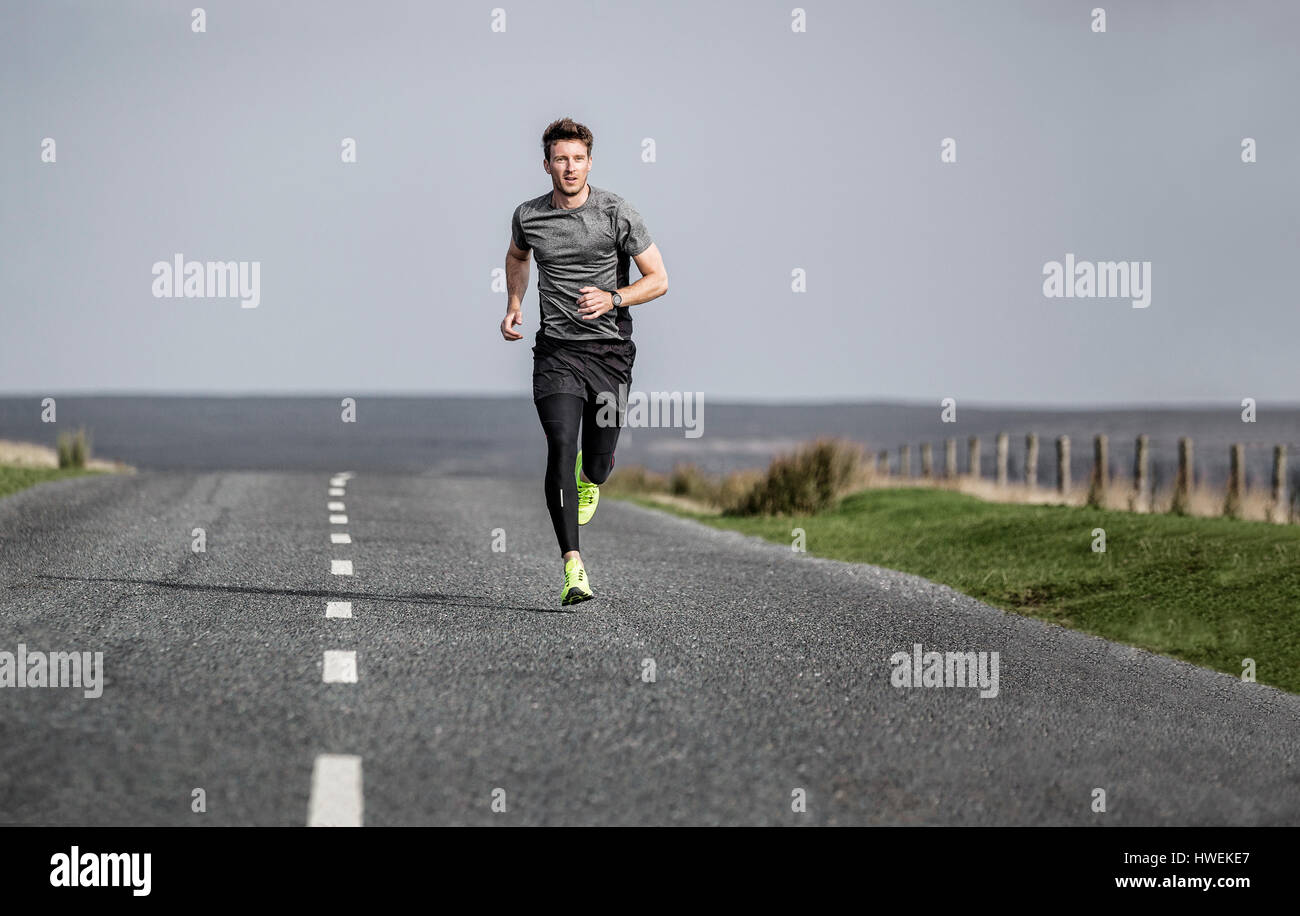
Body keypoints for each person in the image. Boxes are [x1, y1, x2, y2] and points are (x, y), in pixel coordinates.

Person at [502, 117, 668, 606]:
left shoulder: (617, 213)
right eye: (560, 159)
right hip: (556, 351)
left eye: (577, 159)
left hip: (610, 352)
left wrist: (614, 299)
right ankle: (573, 567)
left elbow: (659, 279)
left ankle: (592, 479)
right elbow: (517, 256)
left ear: (589, 163)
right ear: (547, 164)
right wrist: (514, 304)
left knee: (593, 461)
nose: (569, 168)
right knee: (559, 444)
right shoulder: (528, 216)